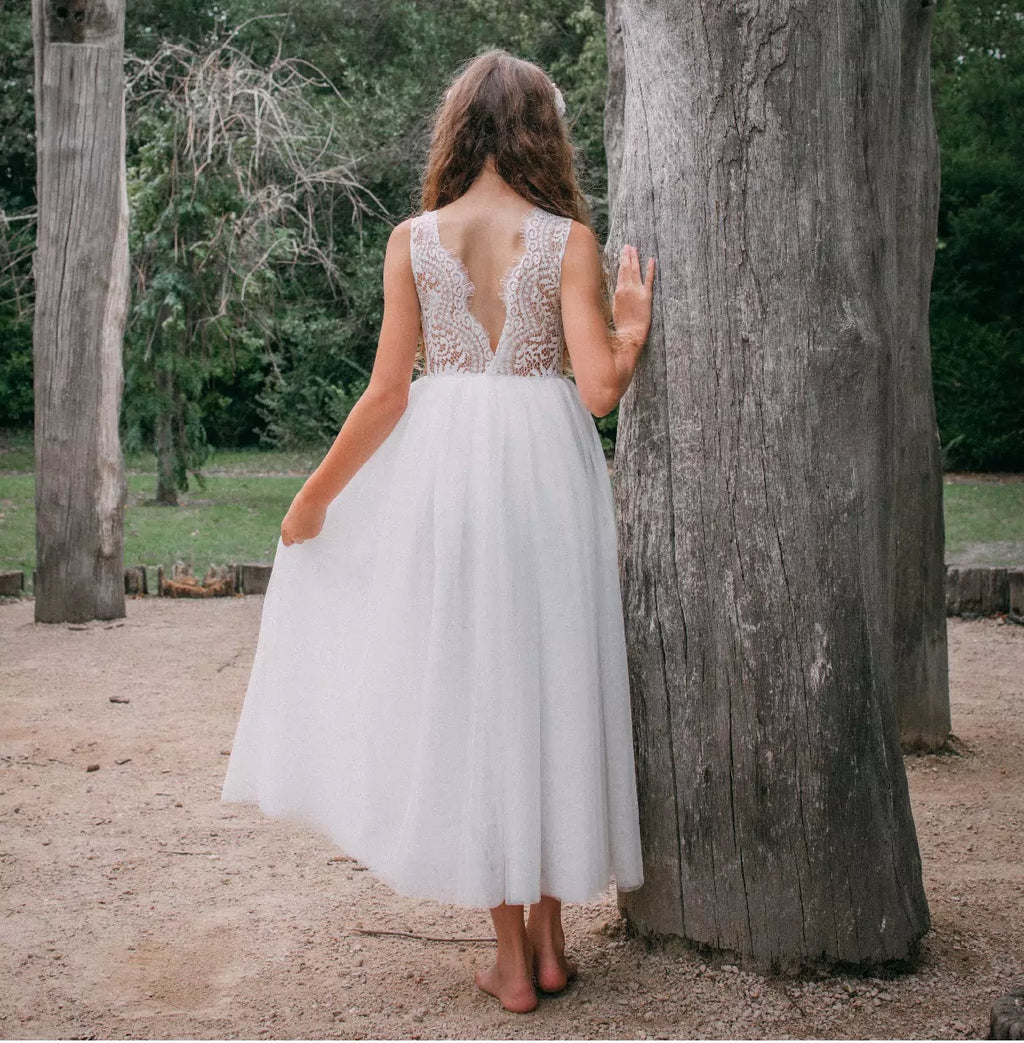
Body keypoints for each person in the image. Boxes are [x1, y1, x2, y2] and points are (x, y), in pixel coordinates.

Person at [220, 48, 655, 1014]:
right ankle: (550, 940)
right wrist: (628, 330)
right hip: (548, 469)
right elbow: (596, 392)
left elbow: (384, 396)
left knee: (479, 687)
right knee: (549, 677)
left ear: (457, 130)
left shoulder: (413, 240)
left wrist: (315, 498)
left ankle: (512, 958)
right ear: (543, 133)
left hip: (451, 471)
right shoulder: (569, 241)